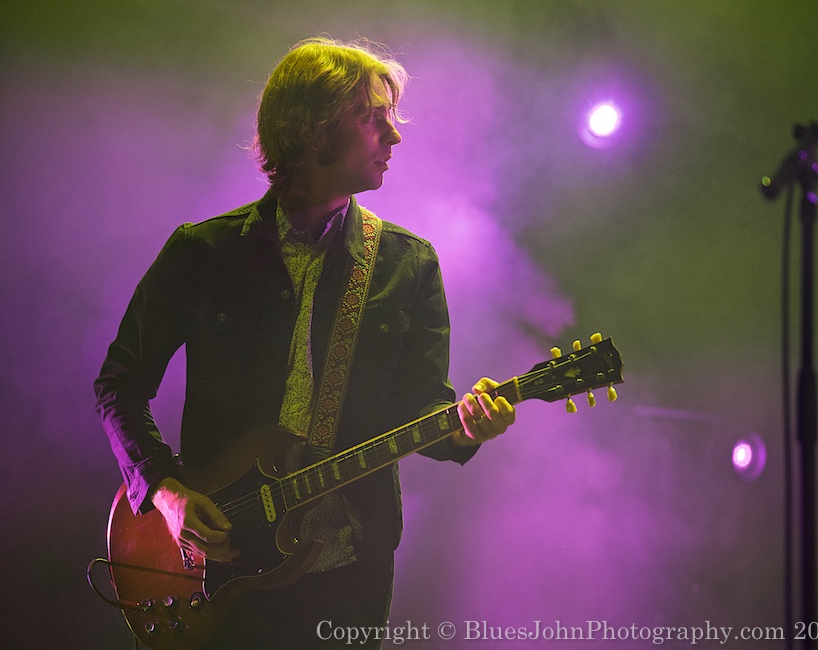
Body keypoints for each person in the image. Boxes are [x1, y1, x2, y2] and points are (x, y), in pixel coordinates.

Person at [94, 36, 517, 648]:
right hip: (219, 565)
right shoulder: (202, 253)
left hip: (348, 570)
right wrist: (165, 492)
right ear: (313, 130)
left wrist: (465, 426)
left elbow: (423, 406)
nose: (394, 137)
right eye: (374, 120)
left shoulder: (408, 264)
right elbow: (120, 385)